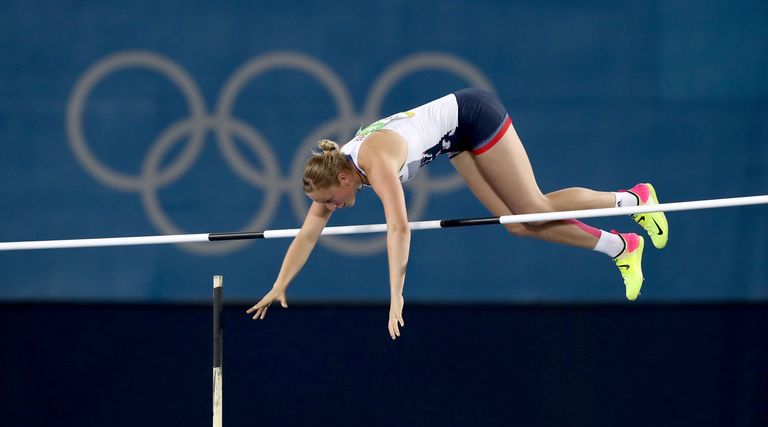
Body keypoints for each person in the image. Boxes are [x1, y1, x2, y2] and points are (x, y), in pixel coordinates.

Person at [246, 88, 668, 340]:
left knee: (533, 206)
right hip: (455, 141)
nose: (330, 208)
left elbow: (398, 229)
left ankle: (633, 200)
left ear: (341, 177)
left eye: (330, 201)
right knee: (519, 227)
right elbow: (306, 235)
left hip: (473, 116)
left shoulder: (374, 162)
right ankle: (620, 247)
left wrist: (395, 295)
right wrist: (280, 284)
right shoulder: (337, 175)